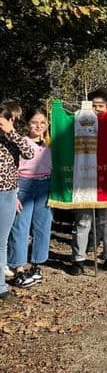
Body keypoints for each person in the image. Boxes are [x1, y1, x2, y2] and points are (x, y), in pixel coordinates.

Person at [69, 89, 107, 275]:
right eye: (94, 106)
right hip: (85, 177)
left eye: (101, 106)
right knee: (83, 221)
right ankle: (78, 259)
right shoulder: (77, 123)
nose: (97, 110)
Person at [8, 108, 52, 288]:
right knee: (20, 227)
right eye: (34, 122)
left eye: (42, 123)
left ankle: (37, 264)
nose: (38, 126)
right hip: (24, 185)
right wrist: (15, 194)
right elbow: (11, 169)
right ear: (28, 124)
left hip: (45, 184)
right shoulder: (21, 142)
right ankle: (18, 268)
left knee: (43, 226)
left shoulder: (50, 143)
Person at [0, 101, 34, 299]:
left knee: (2, 241)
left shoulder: (13, 138)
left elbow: (28, 153)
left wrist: (10, 132)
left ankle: (1, 287)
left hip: (8, 194)